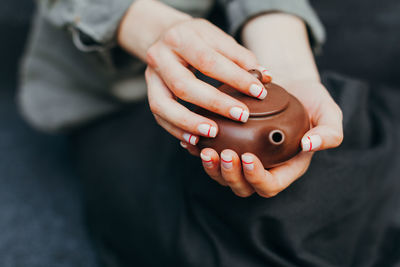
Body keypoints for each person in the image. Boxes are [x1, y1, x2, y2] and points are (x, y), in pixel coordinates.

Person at [19, 0, 400, 266]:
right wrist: (152, 28)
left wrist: (289, 65)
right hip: (115, 86)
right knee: (259, 222)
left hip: (248, 45)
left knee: (325, 163)